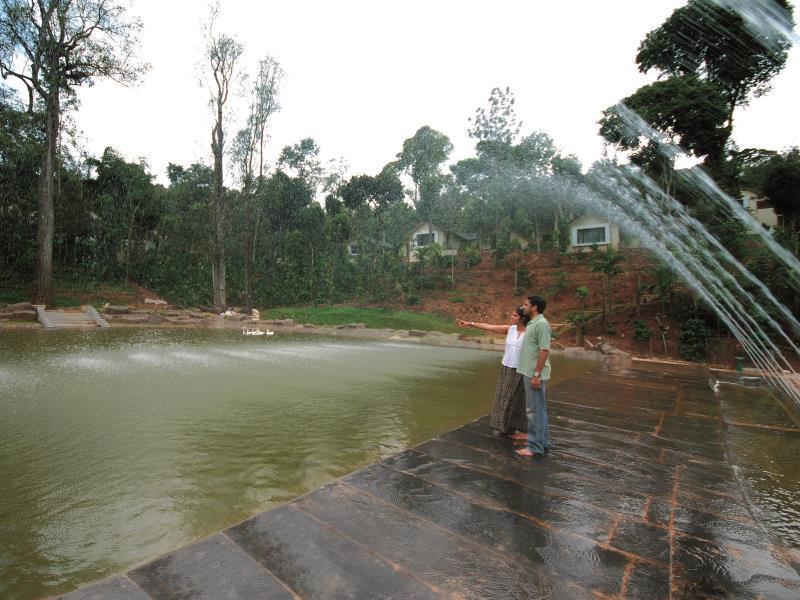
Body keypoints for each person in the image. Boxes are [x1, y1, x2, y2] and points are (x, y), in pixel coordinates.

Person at [458, 308, 529, 437]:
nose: (511, 317)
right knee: (503, 397)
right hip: (507, 368)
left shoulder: (530, 332)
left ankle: (517, 429)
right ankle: (503, 427)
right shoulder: (510, 329)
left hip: (522, 370)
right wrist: (471, 324)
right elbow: (489, 327)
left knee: (517, 400)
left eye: (514, 315)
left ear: (522, 318)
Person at [515, 295, 552, 458]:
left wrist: (536, 375)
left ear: (534, 307)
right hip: (529, 372)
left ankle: (535, 447)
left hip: (534, 374)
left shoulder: (542, 324)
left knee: (533, 411)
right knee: (540, 410)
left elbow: (544, 350)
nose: (523, 307)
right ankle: (542, 443)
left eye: (526, 305)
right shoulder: (531, 323)